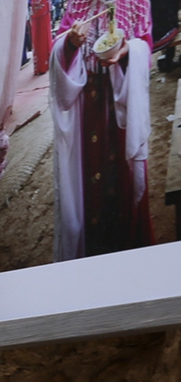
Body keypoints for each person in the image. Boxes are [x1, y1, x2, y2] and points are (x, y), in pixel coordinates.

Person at [48, 0, 155, 259]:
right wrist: (71, 43)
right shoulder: (76, 3)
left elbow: (146, 46)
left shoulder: (137, 2)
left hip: (123, 107)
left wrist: (129, 51)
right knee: (90, 185)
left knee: (123, 182)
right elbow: (59, 46)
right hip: (87, 109)